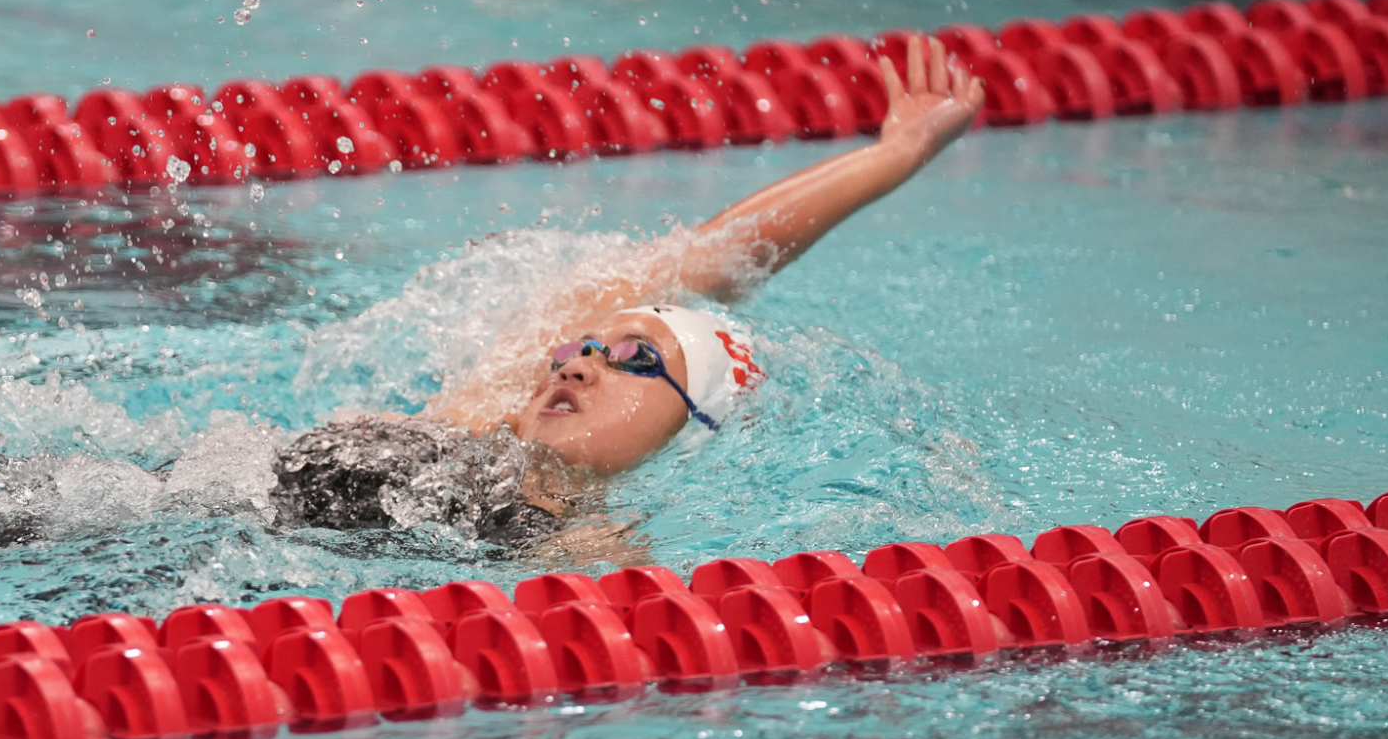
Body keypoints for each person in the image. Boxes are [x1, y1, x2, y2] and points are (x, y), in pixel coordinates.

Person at [273, 35, 986, 541]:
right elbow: (719, 255)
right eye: (579, 349)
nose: (579, 365)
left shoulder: (585, 549)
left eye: (636, 359)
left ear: (692, 426)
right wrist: (893, 155)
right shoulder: (480, 412)